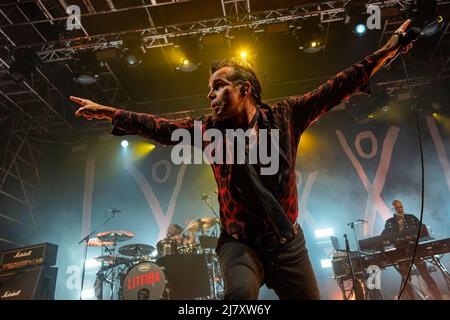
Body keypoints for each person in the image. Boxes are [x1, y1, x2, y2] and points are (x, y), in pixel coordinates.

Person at [71, 20, 414, 300]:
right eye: (210, 89)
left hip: (288, 243)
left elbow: (339, 85)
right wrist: (110, 112)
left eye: (219, 86)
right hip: (239, 245)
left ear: (245, 88)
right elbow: (159, 128)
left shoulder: (285, 116)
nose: (211, 95)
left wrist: (387, 50)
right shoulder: (208, 131)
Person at [382, 200, 442, 300]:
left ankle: (438, 297)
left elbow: (423, 228)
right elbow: (383, 237)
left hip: (415, 250)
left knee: (425, 274)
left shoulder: (411, 218)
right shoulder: (389, 223)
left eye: (401, 207)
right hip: (400, 253)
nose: (400, 209)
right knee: (406, 279)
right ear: (392, 209)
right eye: (397, 208)